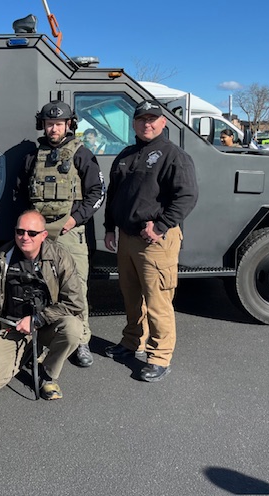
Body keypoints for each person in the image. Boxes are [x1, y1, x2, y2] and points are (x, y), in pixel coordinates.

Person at [103, 99, 198, 382]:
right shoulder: (126, 154)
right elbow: (114, 196)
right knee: (131, 297)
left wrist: (160, 226)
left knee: (158, 300)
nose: (148, 123)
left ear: (163, 122)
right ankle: (133, 341)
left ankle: (159, 356)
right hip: (127, 238)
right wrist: (109, 228)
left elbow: (187, 196)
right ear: (133, 123)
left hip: (156, 241)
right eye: (142, 119)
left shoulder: (173, 156)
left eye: (153, 118)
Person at [18, 100, 105, 368]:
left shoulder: (82, 153)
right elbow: (21, 194)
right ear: (42, 125)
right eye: (49, 123)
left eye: (58, 123)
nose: (53, 128)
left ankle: (81, 340)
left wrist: (74, 220)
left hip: (70, 233)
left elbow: (97, 193)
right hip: (39, 235)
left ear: (69, 124)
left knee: (76, 286)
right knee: (41, 287)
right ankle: (43, 341)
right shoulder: (33, 156)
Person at [0, 210, 84, 400]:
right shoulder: (3, 257)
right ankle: (28, 350)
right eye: (20, 232)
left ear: (44, 235)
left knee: (73, 328)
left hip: (46, 324)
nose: (24, 237)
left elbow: (75, 303)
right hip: (13, 327)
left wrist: (37, 320)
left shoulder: (60, 257)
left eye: (32, 233)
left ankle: (48, 375)